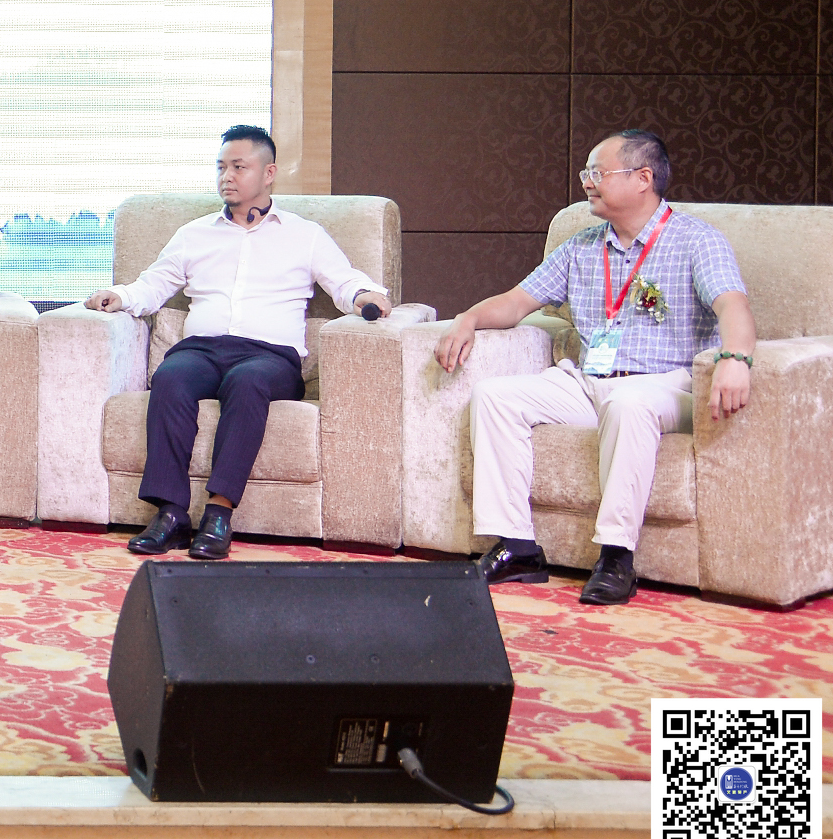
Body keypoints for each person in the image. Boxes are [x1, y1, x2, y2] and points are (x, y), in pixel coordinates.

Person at [436, 130, 754, 606]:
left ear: (642, 178)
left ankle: (616, 555)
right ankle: (518, 546)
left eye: (597, 172)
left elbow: (733, 305)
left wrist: (735, 358)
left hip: (669, 384)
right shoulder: (582, 246)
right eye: (587, 172)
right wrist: (467, 319)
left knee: (628, 403)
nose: (586, 181)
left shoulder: (697, 240)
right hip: (590, 382)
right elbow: (516, 302)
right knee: (495, 396)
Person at [83, 125, 389, 561]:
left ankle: (219, 513)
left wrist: (366, 296)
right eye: (221, 167)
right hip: (202, 350)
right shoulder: (194, 234)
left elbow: (344, 283)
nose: (226, 176)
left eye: (239, 167)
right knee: (170, 377)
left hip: (269, 357)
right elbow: (153, 285)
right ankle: (171, 514)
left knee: (248, 383)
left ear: (269, 173)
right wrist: (120, 296)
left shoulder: (305, 235)